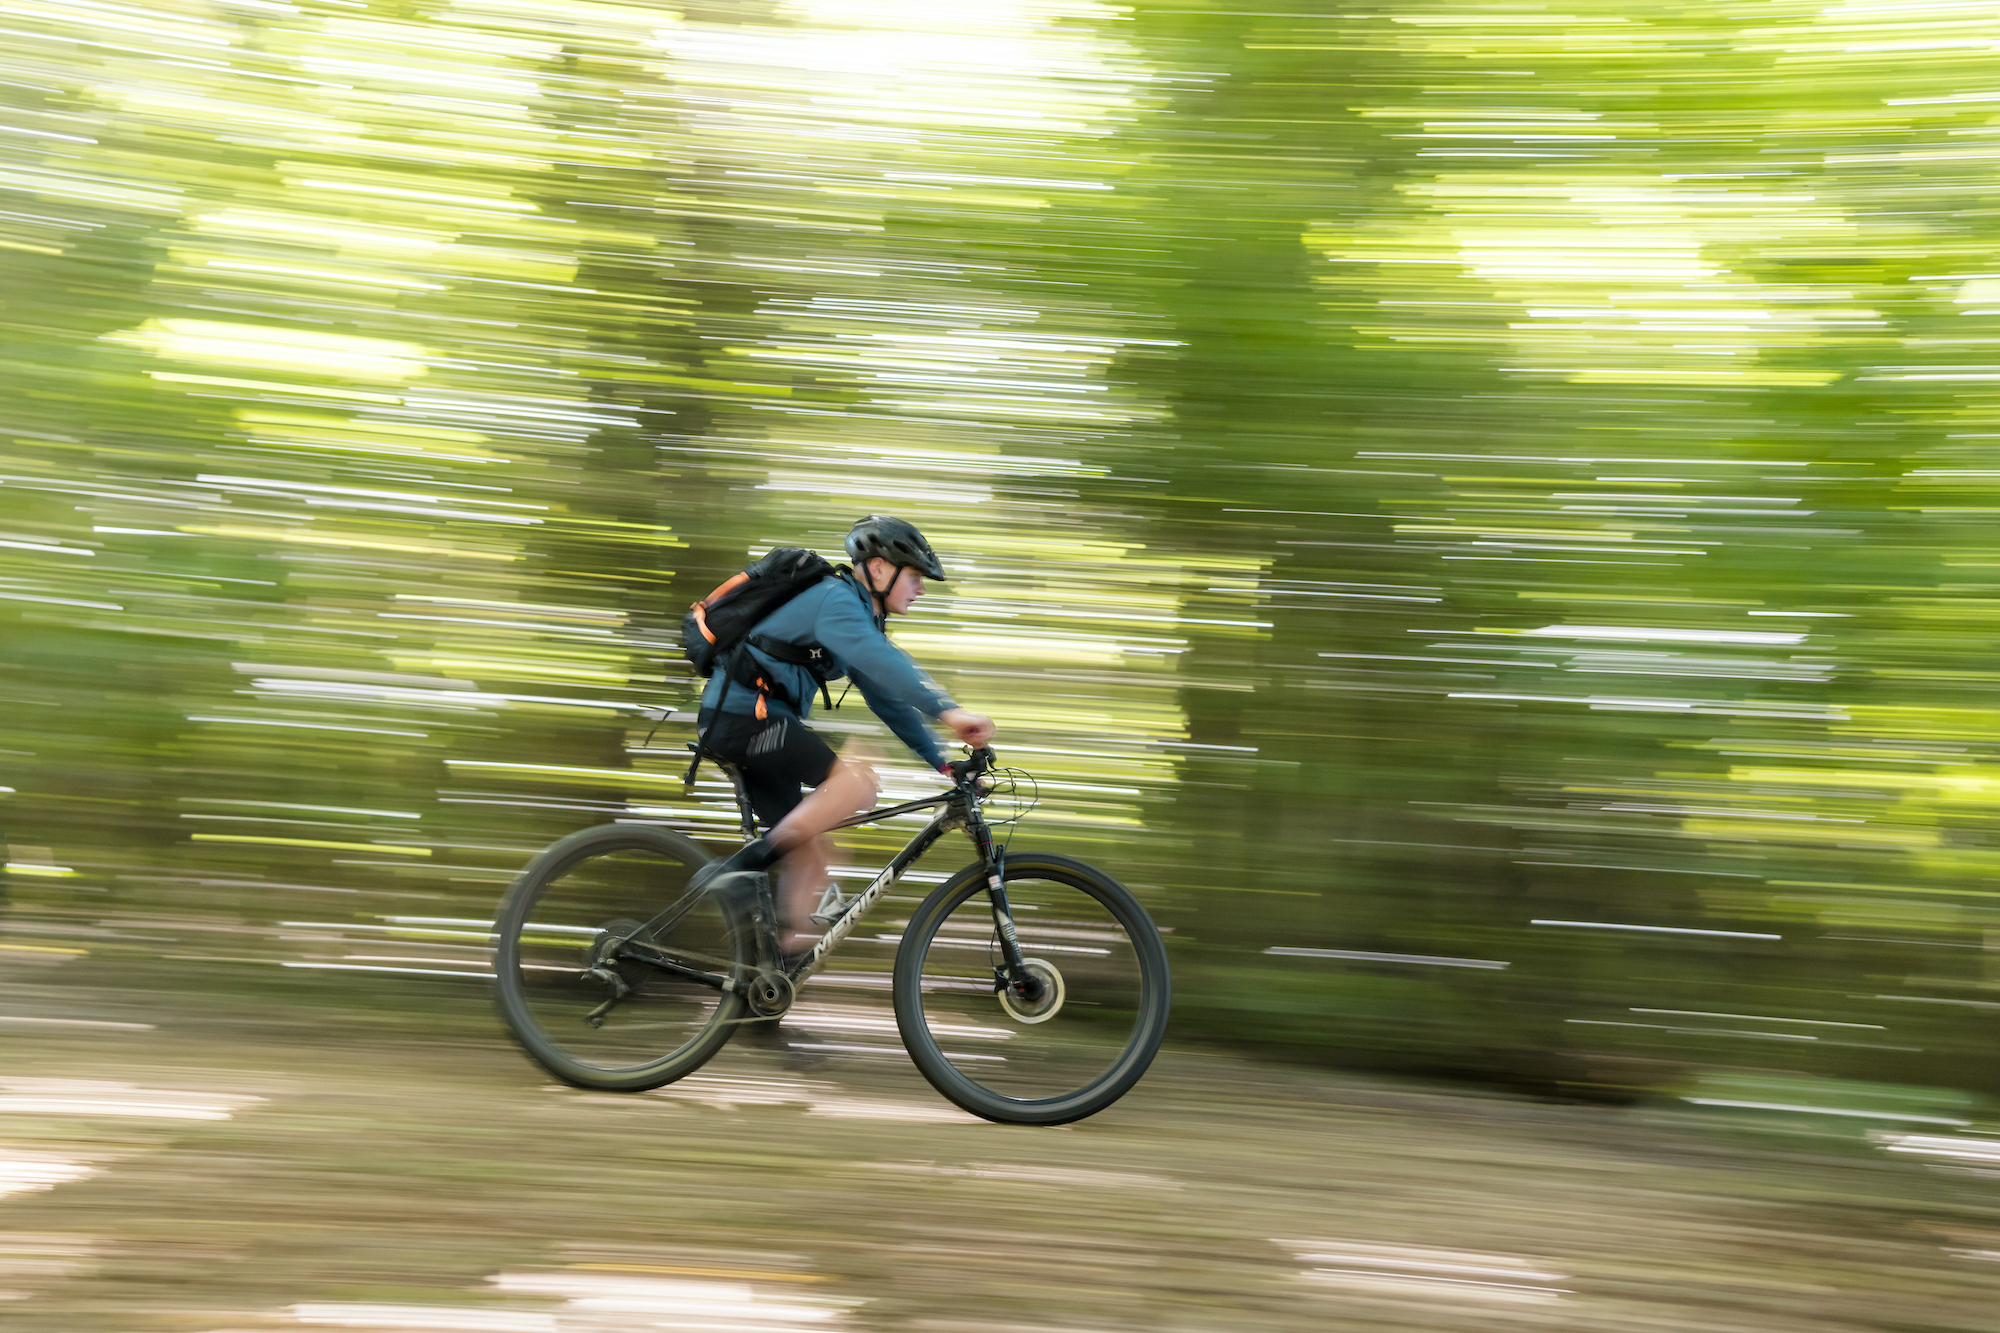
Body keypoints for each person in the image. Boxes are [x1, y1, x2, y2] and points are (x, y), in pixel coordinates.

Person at [690, 515, 994, 962]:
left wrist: (942, 762)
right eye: (914, 577)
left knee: (813, 855)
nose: (922, 588)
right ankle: (735, 874)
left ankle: (770, 972)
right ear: (877, 569)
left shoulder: (859, 618)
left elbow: (888, 698)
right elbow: (884, 661)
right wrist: (951, 711)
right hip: (743, 720)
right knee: (856, 782)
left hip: (764, 726)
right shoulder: (835, 601)